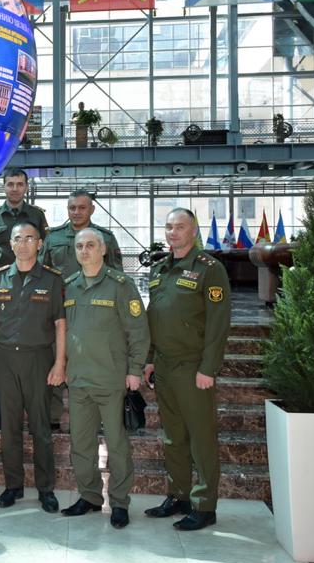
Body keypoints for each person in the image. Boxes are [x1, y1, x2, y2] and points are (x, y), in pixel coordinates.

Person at [143, 208, 231, 531]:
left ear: (193, 231)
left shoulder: (209, 269)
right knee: (173, 436)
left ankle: (204, 505)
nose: (173, 232)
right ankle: (178, 495)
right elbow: (154, 317)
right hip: (164, 366)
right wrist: (150, 358)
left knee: (201, 437)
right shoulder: (160, 269)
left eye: (180, 226)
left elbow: (218, 323)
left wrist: (209, 368)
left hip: (193, 367)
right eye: (169, 227)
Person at [60, 228, 149, 529]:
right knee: (81, 444)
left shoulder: (120, 285)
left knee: (117, 444)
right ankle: (89, 496)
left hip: (111, 379)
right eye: (79, 246)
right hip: (78, 379)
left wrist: (134, 370)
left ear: (102, 250)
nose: (84, 251)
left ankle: (120, 502)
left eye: (90, 245)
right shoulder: (69, 286)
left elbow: (138, 331)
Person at [0, 222, 65, 513]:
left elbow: (60, 324)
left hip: (38, 359)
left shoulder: (52, 279)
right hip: (4, 360)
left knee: (41, 427)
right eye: (18, 238)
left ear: (39, 244)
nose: (24, 243)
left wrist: (60, 362)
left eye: (30, 238)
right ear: (11, 244)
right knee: (9, 427)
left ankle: (46, 489)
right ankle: (13, 486)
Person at [41, 188, 123, 428]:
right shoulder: (53, 237)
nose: (76, 212)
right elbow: (42, 273)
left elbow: (117, 275)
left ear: (92, 209)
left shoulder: (105, 238)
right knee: (56, 358)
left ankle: (97, 415)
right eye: (72, 208)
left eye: (82, 207)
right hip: (59, 311)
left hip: (94, 311)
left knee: (93, 360)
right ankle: (53, 417)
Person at [0, 168, 49, 269]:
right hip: (1, 274)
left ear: (26, 188)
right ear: (4, 187)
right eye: (10, 184)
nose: (15, 189)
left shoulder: (37, 214)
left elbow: (45, 248)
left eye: (20, 184)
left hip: (32, 273)